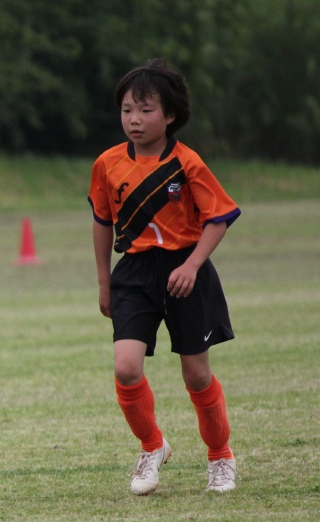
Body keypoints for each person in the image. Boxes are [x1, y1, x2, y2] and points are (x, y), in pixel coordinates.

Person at [89, 58, 241, 496]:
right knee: (125, 368)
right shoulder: (107, 164)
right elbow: (102, 221)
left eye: (146, 109)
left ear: (170, 114)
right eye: (127, 110)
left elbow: (219, 218)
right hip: (134, 273)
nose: (134, 119)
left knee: (196, 376)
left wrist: (192, 265)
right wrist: (104, 282)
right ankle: (152, 446)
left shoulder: (187, 163)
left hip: (185, 271)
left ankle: (220, 457)